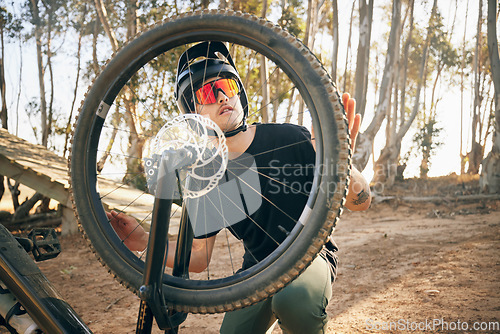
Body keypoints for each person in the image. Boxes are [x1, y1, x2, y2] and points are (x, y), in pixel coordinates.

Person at [107, 41, 371, 334]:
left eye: (227, 85)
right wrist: (143, 240)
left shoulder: (288, 137)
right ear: (194, 113)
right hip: (256, 270)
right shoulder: (204, 178)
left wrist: (342, 160)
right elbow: (197, 257)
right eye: (207, 91)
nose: (221, 95)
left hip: (310, 255)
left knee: (294, 300)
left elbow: (360, 202)